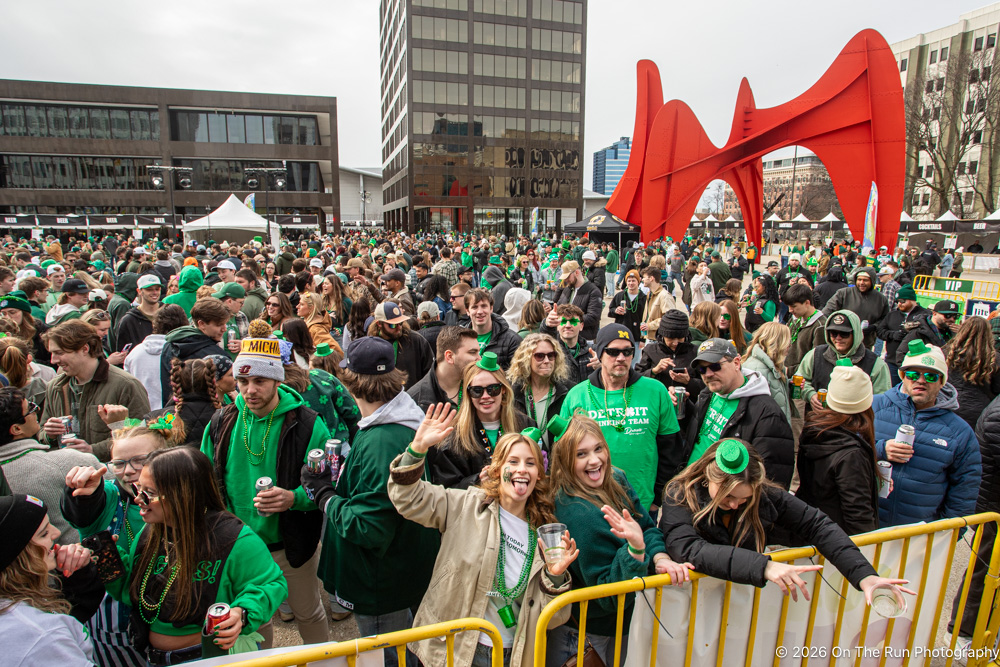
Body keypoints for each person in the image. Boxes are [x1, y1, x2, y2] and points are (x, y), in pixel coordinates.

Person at [384, 405, 575, 667]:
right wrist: (417, 448)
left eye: (530, 463)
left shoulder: (545, 533)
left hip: (514, 656)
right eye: (513, 462)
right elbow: (407, 498)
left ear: (538, 475)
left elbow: (553, 619)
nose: (522, 469)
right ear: (497, 469)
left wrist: (555, 576)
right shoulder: (465, 506)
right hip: (457, 649)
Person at [300, 337, 439, 667]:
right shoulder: (397, 421)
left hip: (381, 582)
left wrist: (324, 495)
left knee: (389, 659)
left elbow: (369, 528)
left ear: (350, 383)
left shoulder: (381, 439)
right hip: (399, 572)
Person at [661, 440, 913, 605]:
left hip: (738, 601)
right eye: (728, 497)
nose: (736, 505)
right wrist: (764, 567)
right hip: (684, 601)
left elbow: (817, 525)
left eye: (744, 499)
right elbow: (689, 548)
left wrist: (864, 576)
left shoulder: (765, 496)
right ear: (709, 476)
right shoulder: (679, 493)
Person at [200, 336, 331, 648]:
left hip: (289, 544)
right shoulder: (221, 422)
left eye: (259, 381)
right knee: (254, 619)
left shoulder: (307, 424)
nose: (250, 390)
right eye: (243, 381)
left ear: (277, 380)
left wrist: (293, 498)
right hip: (238, 545)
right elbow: (204, 480)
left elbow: (326, 482)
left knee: (308, 612)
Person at [101, 446, 287, 664]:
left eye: (149, 493)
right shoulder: (150, 534)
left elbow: (272, 584)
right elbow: (130, 591)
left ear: (182, 494)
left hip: (214, 659)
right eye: (138, 488)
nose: (138, 499)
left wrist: (241, 613)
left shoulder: (234, 538)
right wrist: (105, 558)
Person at [545, 414, 689, 666]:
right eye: (581, 454)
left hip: (624, 624)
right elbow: (609, 595)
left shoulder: (616, 478)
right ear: (565, 460)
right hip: (585, 636)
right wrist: (635, 551)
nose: (594, 460)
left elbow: (645, 526)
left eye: (598, 448)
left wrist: (660, 557)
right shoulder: (575, 512)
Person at [61, 418, 186, 667]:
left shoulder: (186, 498)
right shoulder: (110, 496)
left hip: (177, 620)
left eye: (140, 460)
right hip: (116, 626)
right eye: (119, 464)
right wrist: (82, 493)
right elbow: (83, 510)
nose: (128, 471)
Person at [560, 324, 681, 509]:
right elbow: (563, 452)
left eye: (628, 351)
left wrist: (657, 499)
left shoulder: (656, 390)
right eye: (613, 352)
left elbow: (670, 448)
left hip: (642, 503)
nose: (621, 358)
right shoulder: (577, 395)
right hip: (591, 503)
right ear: (599, 353)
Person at [874, 341, 982, 526]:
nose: (921, 380)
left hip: (918, 534)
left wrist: (947, 532)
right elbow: (844, 451)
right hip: (866, 527)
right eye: (913, 374)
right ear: (903, 376)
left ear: (941, 382)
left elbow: (965, 490)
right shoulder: (873, 407)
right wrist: (880, 449)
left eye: (931, 376)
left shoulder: (959, 432)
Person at [680, 338, 794, 488]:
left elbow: (771, 480)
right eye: (702, 369)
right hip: (690, 484)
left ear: (736, 363)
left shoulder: (767, 414)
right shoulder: (709, 393)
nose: (708, 374)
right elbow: (700, 434)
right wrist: (684, 407)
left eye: (715, 366)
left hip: (720, 495)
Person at [0, 495, 97, 666]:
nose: (56, 533)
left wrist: (78, 578)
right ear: (20, 557)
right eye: (44, 534)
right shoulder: (42, 635)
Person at [39, 320, 151, 462]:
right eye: (52, 353)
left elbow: (143, 436)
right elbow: (41, 433)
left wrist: (93, 450)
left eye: (59, 353)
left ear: (85, 349)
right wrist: (49, 434)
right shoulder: (55, 387)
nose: (53, 360)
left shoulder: (126, 385)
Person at [0, 387, 100, 545]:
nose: (37, 410)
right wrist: (118, 426)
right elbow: (121, 481)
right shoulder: (64, 462)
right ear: (16, 429)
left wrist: (48, 437)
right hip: (82, 553)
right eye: (30, 408)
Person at [796, 362, 880, 535]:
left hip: (813, 530)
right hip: (838, 540)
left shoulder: (813, 429)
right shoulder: (852, 455)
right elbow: (858, 517)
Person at [430, 352, 534, 489]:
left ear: (503, 389)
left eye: (493, 389)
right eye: (477, 390)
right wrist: (477, 481)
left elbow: (542, 469)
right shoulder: (454, 437)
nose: (485, 396)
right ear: (468, 394)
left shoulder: (525, 425)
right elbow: (445, 488)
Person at [796, 310, 891, 412]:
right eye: (833, 333)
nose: (838, 338)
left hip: (856, 420)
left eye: (844, 333)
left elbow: (882, 400)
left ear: (856, 333)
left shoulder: (875, 364)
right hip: (818, 418)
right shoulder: (815, 354)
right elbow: (800, 379)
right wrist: (810, 395)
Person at [159, 298, 230, 401]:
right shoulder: (216, 356)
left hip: (172, 408)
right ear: (201, 324)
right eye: (219, 325)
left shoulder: (169, 345)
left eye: (225, 324)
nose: (224, 329)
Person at [509, 333, 573, 449]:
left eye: (551, 355)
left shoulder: (569, 391)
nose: (547, 360)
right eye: (540, 356)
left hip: (559, 457)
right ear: (526, 358)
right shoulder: (512, 392)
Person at [123, 304, 189, 412]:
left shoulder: (135, 353)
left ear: (154, 324)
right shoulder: (182, 352)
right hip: (174, 414)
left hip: (144, 414)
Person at [635, 310, 704, 402]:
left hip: (688, 406)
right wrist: (654, 371)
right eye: (670, 338)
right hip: (657, 403)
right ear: (662, 335)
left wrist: (689, 381)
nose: (675, 343)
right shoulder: (650, 350)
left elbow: (707, 387)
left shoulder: (696, 352)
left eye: (680, 338)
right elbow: (636, 380)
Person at [944, 317, 1000, 429]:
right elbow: (997, 389)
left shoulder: (946, 352)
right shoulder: (994, 359)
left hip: (947, 403)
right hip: (978, 410)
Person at [408, 326, 481, 412]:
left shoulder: (480, 388)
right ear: (449, 356)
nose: (479, 358)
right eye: (473, 352)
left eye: (478, 352)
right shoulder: (413, 402)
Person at [368, 300, 432, 393]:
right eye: (392, 325)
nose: (399, 327)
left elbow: (430, 372)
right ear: (379, 324)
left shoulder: (416, 340)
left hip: (413, 397)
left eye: (400, 323)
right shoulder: (371, 345)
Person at [821, 267, 888, 349]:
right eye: (859, 279)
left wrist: (874, 326)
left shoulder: (881, 299)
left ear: (872, 281)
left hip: (865, 343)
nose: (862, 283)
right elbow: (827, 312)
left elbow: (885, 319)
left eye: (865, 280)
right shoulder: (843, 293)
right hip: (842, 342)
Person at [740, 322, 792, 425]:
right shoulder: (755, 369)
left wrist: (789, 385)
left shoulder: (774, 363)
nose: (789, 346)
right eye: (787, 342)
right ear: (777, 343)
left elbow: (775, 391)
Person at [463, 288, 522, 370]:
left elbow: (517, 374)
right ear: (467, 311)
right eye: (474, 307)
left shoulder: (512, 340)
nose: (480, 312)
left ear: (491, 308)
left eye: (484, 306)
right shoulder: (460, 339)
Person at [539, 304, 596, 385]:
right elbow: (544, 337)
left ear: (581, 326)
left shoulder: (593, 352)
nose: (568, 325)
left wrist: (601, 366)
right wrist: (547, 324)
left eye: (573, 321)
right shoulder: (552, 351)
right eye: (563, 321)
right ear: (557, 325)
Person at [896, 299, 961, 365]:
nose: (952, 319)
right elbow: (902, 354)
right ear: (934, 314)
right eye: (948, 315)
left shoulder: (953, 333)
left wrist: (962, 334)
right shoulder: (919, 330)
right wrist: (914, 371)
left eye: (955, 316)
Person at [553, 260, 603, 342]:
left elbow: (593, 317)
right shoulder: (567, 289)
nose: (566, 280)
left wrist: (569, 320)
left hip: (584, 339)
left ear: (577, 272)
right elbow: (559, 307)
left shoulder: (593, 291)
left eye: (568, 277)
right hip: (565, 337)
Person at [114, 274, 163, 354]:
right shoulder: (129, 320)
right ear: (139, 291)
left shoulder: (169, 314)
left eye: (157, 289)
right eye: (149, 289)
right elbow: (122, 351)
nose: (154, 292)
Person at [609, 269, 647, 342]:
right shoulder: (620, 296)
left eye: (633, 281)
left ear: (638, 282)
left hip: (637, 336)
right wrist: (615, 310)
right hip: (622, 334)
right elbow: (611, 310)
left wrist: (643, 339)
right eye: (629, 281)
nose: (631, 283)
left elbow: (646, 319)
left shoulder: (643, 298)